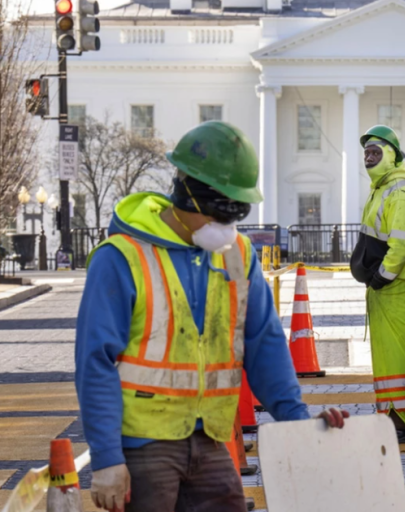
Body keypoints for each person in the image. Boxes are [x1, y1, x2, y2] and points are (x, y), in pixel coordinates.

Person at [75, 121, 349, 512]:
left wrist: (298, 420)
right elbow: (94, 361)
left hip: (211, 439)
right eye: (220, 214)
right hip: (143, 446)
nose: (227, 227)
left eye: (235, 214)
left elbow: (263, 342)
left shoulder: (237, 254)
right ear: (186, 193)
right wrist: (106, 458)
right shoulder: (122, 257)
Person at [350, 125, 405, 444]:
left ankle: (398, 419)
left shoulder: (399, 193)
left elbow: (402, 243)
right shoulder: (382, 189)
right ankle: (388, 415)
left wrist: (384, 274)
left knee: (393, 354)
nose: (369, 158)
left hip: (394, 285)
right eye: (366, 153)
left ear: (392, 156)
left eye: (375, 152)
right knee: (384, 355)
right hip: (384, 286)